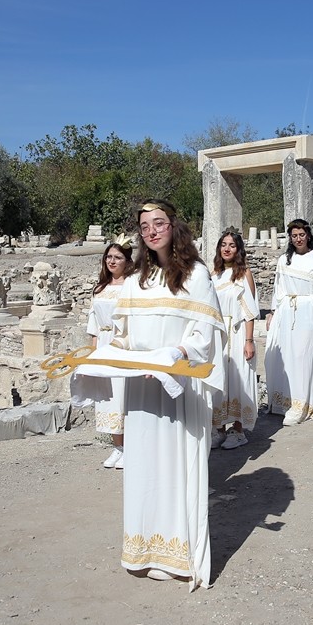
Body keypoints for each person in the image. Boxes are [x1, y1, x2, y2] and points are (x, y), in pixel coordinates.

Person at [112, 199, 224, 589]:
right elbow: (121, 335)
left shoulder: (196, 275)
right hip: (141, 388)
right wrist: (123, 359)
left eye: (158, 223)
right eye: (144, 227)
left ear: (174, 226)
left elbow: (203, 334)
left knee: (177, 466)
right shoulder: (134, 280)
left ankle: (179, 554)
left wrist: (172, 356)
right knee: (144, 467)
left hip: (178, 383)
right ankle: (145, 549)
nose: (151, 231)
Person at [264, 219, 313, 425]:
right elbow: (279, 288)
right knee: (286, 356)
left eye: (301, 235)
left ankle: (303, 404)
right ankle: (285, 401)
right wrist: (273, 312)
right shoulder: (284, 260)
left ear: (308, 236)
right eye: (294, 236)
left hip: (308, 310)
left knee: (303, 356)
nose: (298, 239)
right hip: (287, 311)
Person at [88, 239, 134, 469]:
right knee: (107, 398)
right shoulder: (100, 288)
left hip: (122, 343)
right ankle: (118, 447)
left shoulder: (132, 286)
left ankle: (131, 447)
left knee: (122, 395)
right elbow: (93, 322)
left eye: (117, 257)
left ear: (127, 261)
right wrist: (93, 351)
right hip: (103, 344)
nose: (112, 261)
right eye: (109, 257)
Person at [212, 228, 259, 449]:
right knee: (220, 381)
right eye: (224, 245)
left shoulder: (244, 273)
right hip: (219, 334)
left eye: (231, 245)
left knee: (238, 379)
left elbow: (250, 309)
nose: (227, 248)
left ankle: (238, 431)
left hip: (238, 333)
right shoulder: (214, 275)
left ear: (238, 249)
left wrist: (249, 341)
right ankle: (219, 429)